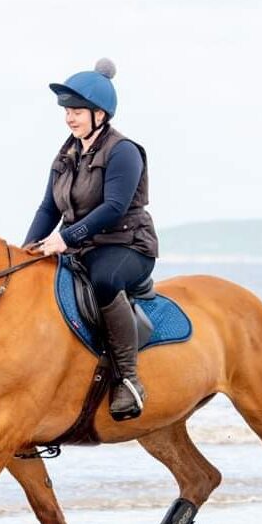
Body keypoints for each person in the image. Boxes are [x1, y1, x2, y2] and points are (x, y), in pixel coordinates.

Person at [24, 58, 159, 421]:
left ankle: (128, 379)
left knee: (103, 280)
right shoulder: (66, 153)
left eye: (78, 111)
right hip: (84, 245)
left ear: (100, 114)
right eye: (67, 111)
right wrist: (26, 250)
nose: (70, 117)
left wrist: (66, 239)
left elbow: (114, 208)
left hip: (127, 245)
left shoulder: (124, 151)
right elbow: (48, 207)